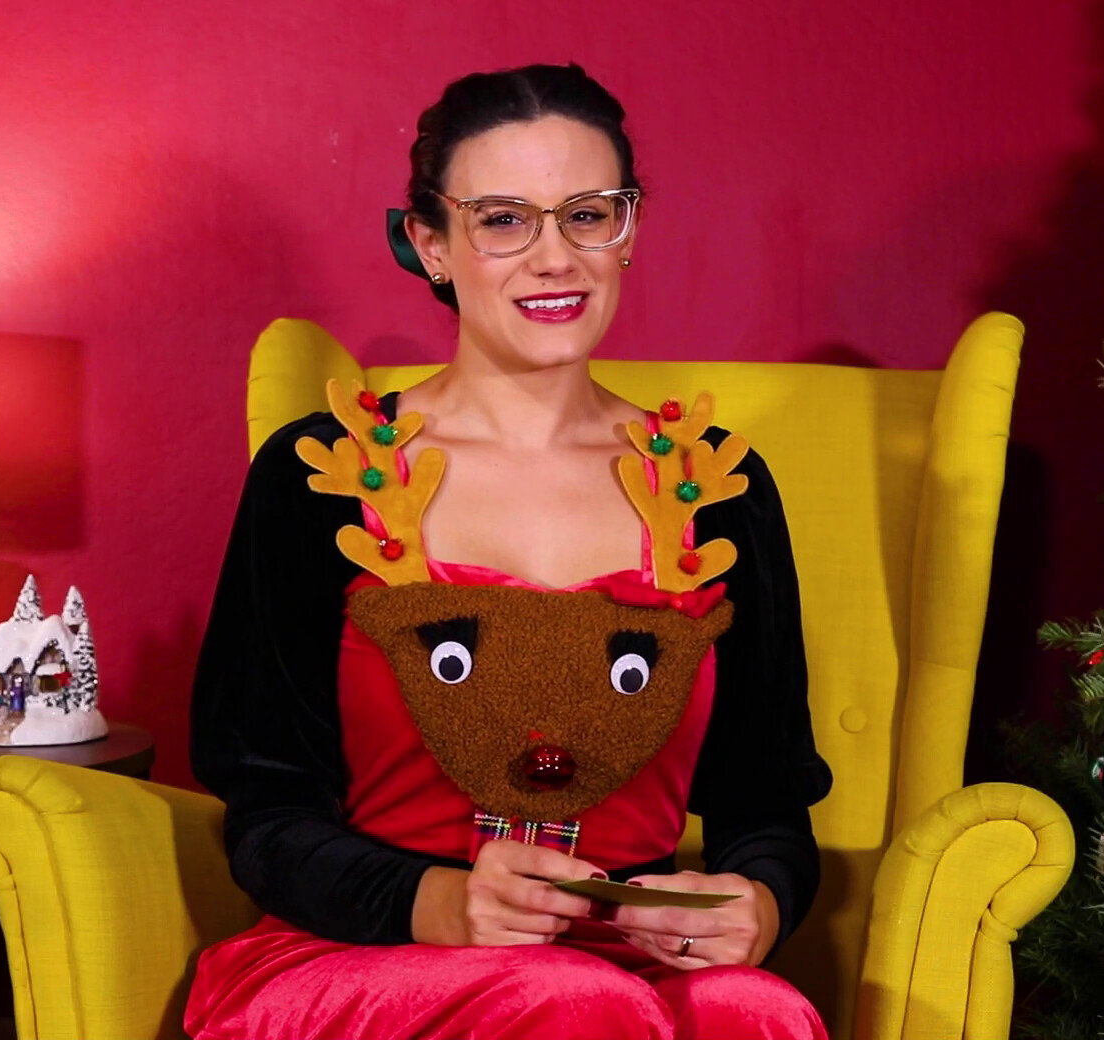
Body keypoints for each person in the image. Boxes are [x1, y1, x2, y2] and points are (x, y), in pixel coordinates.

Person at [186, 62, 833, 1040]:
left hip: (623, 959)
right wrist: (439, 902)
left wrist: (760, 903)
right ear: (431, 244)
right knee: (572, 1000)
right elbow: (266, 813)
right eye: (502, 221)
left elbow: (766, 805)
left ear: (629, 230)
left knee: (757, 1010)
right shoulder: (319, 475)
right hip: (370, 951)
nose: (554, 258)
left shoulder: (717, 487)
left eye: (587, 215)